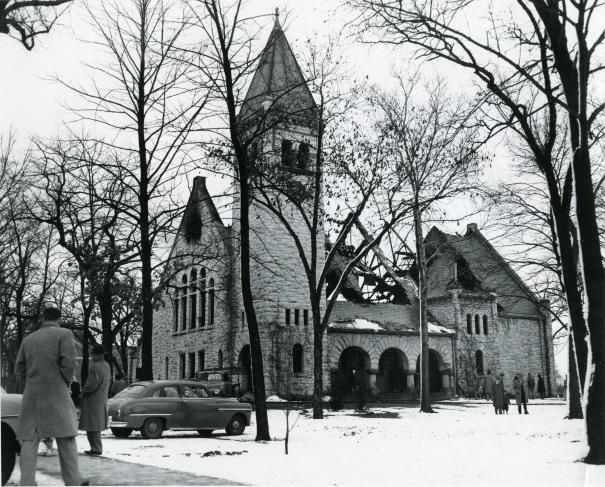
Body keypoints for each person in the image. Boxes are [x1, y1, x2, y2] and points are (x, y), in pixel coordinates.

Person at [15, 306, 86, 486]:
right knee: (66, 437)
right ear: (59, 319)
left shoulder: (28, 339)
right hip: (56, 392)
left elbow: (19, 369)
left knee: (29, 440)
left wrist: (31, 383)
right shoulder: (64, 334)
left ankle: (27, 482)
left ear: (43, 318)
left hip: (32, 395)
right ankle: (73, 480)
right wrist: (66, 382)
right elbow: (69, 364)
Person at [79, 344, 111, 456]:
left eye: (93, 353)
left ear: (98, 355)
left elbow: (92, 384)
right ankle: (96, 448)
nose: (92, 356)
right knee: (95, 426)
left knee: (91, 426)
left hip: (92, 400)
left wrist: (83, 391)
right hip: (101, 399)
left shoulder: (95, 367)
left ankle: (96, 448)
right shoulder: (107, 366)